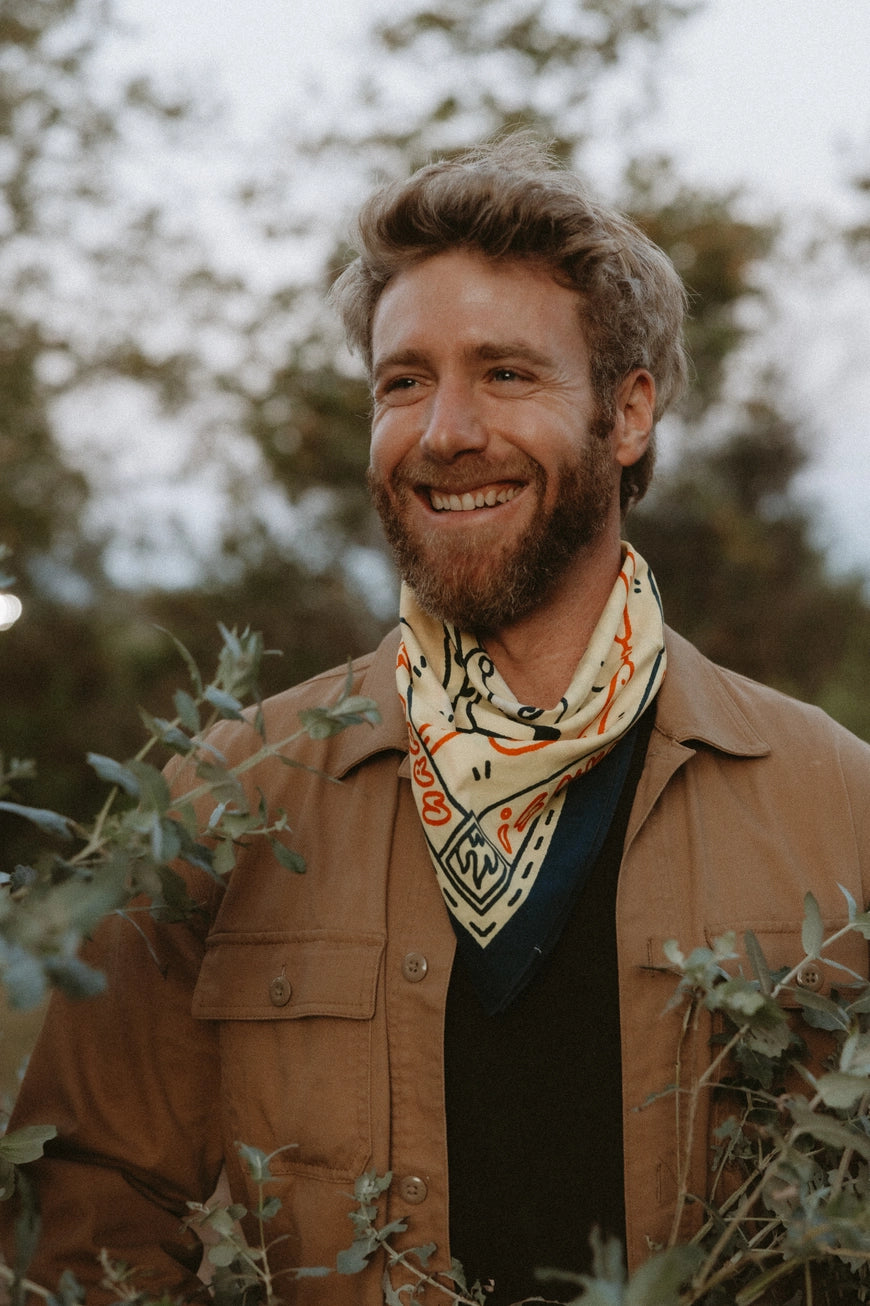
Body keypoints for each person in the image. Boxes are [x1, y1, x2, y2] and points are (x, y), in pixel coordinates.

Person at [3, 135, 870, 1306]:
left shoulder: (835, 802)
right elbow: (83, 1217)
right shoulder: (230, 796)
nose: (444, 431)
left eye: (505, 373)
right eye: (402, 382)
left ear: (628, 414)